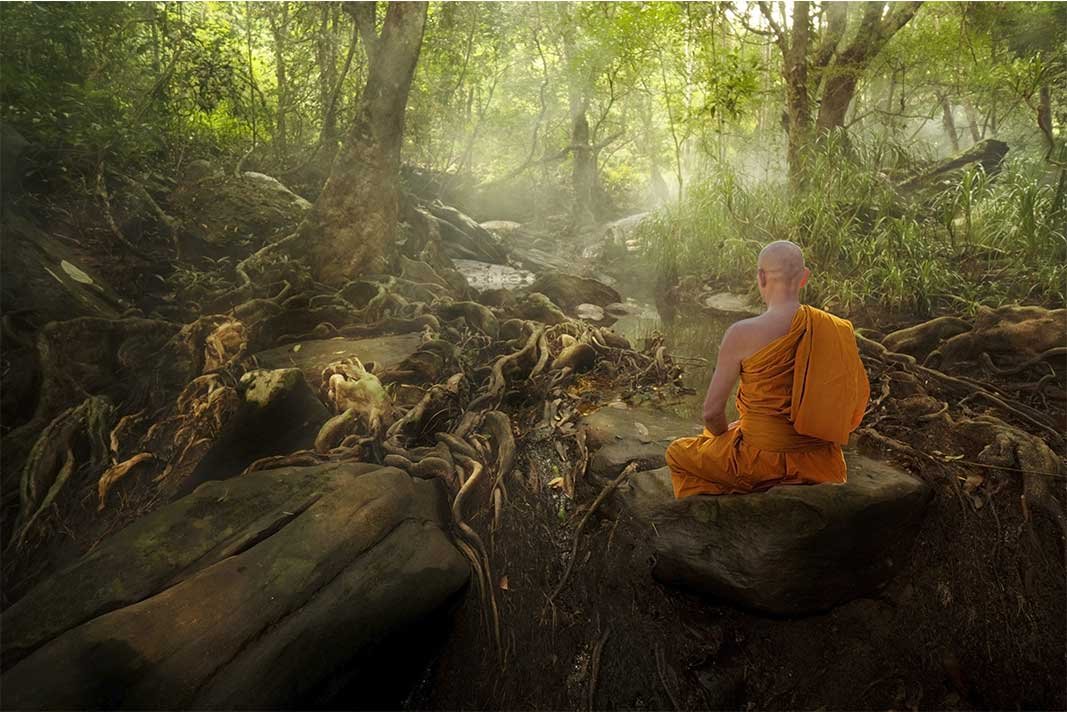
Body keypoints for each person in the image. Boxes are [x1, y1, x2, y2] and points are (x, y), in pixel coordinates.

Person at [665, 240, 869, 498]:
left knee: (677, 451)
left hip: (758, 463)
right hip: (820, 464)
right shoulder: (837, 328)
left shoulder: (741, 333)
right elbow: (850, 407)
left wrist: (723, 440)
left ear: (761, 277)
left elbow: (712, 414)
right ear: (804, 277)